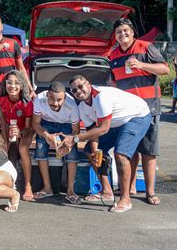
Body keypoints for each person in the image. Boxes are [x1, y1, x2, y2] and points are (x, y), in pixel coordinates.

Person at [60, 75, 151, 213]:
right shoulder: (83, 107)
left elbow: (103, 128)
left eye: (80, 86)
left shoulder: (101, 97)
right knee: (90, 150)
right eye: (74, 90)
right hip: (116, 122)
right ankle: (107, 191)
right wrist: (96, 151)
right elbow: (93, 132)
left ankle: (126, 199)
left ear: (88, 84)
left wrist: (75, 139)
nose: (78, 91)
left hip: (136, 116)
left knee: (120, 154)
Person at [108, 18, 169, 206]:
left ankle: (150, 192)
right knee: (129, 150)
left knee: (149, 151)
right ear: (115, 36)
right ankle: (130, 187)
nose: (122, 34)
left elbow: (164, 69)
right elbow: (113, 83)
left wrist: (142, 65)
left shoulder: (146, 47)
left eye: (126, 31)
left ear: (133, 32)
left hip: (149, 107)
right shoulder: (113, 56)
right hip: (128, 111)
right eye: (119, 32)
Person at [32, 82, 81, 204]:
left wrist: (69, 141)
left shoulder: (71, 104)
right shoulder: (39, 99)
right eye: (52, 98)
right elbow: (35, 124)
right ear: (47, 94)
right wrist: (46, 135)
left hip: (66, 125)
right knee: (41, 147)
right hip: (46, 124)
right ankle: (47, 188)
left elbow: (76, 130)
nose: (55, 103)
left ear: (64, 96)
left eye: (59, 100)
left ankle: (70, 190)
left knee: (72, 153)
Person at [0, 70, 35, 201]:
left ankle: (28, 185)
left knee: (22, 148)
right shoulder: (0, 97)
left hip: (25, 129)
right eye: (9, 82)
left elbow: (29, 127)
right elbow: (2, 118)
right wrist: (4, 138)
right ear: (5, 84)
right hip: (9, 127)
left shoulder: (26, 103)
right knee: (3, 147)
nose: (12, 86)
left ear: (22, 85)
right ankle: (6, 182)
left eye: (17, 83)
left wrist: (20, 133)